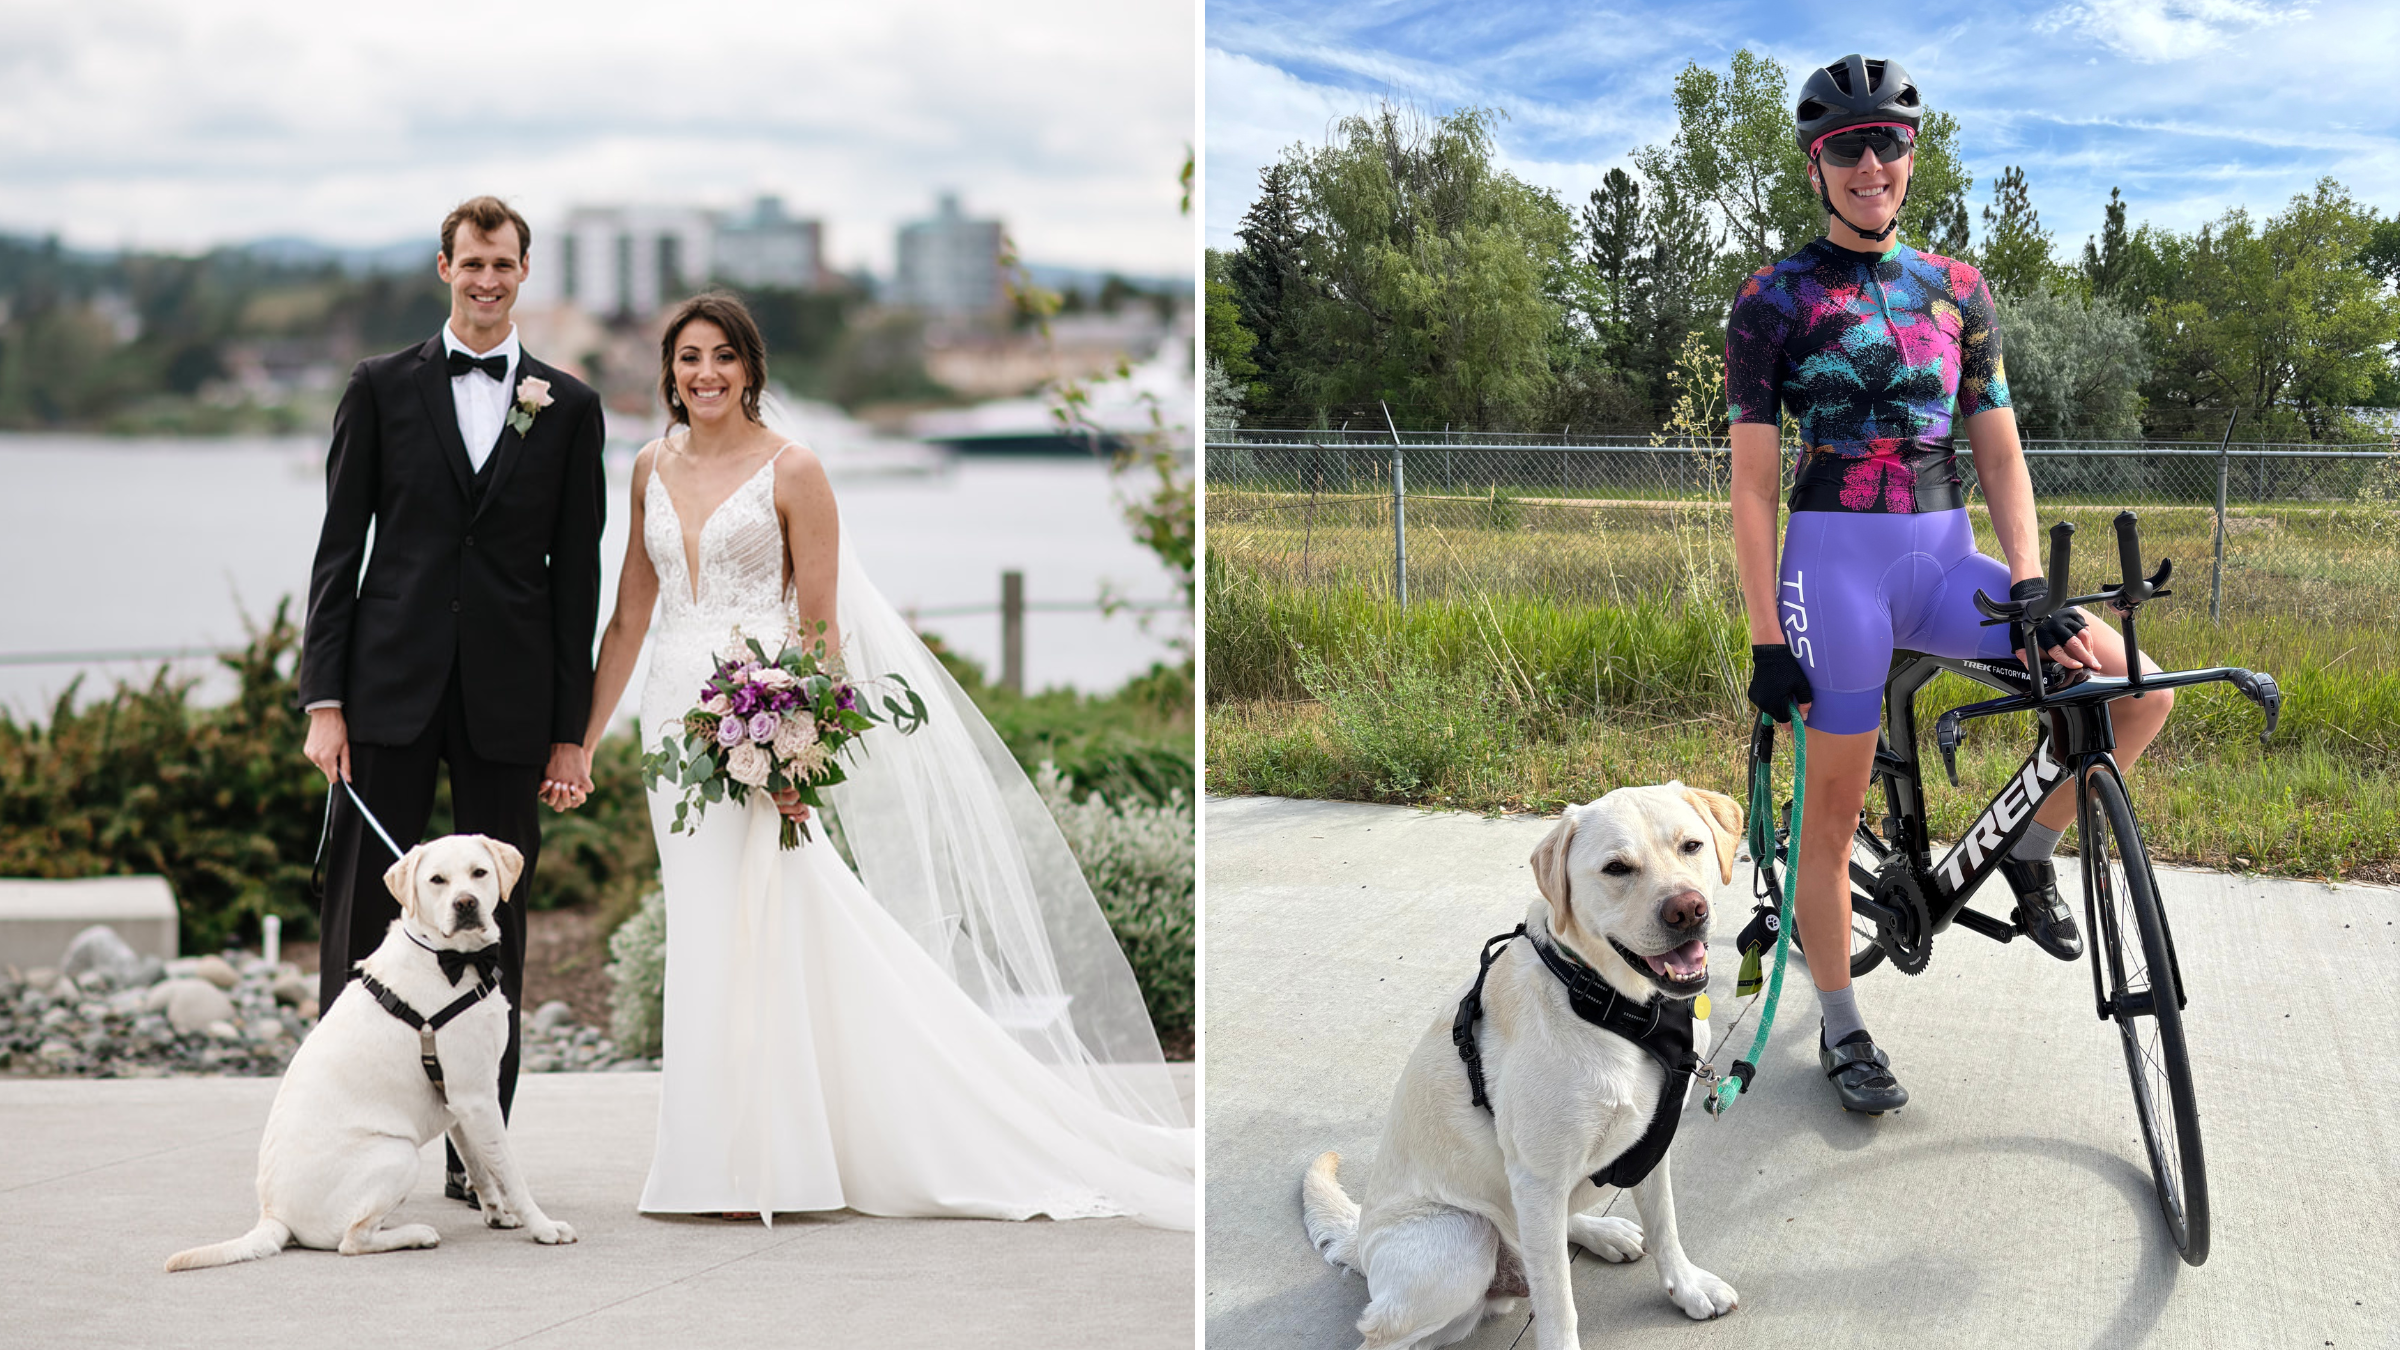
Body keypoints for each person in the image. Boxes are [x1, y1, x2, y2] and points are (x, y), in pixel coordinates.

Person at [579, 292, 1192, 1228]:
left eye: (722, 358)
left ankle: (792, 1160)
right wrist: (579, 743)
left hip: (759, 723)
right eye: (688, 358)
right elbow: (628, 618)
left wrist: (795, 746)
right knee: (705, 929)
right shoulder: (647, 468)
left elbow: (822, 632)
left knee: (779, 920)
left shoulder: (797, 470)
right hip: (672, 732)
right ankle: (707, 1160)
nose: (704, 375)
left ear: (751, 370)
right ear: (668, 371)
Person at [1725, 56, 2174, 1114]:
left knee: (2138, 692)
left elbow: (2003, 455)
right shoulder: (1773, 299)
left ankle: (2031, 844)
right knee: (1829, 824)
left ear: (1912, 157)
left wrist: (2027, 580)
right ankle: (1842, 1027)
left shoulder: (1959, 289)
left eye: (1890, 143)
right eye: (1848, 146)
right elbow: (1750, 491)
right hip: (1832, 570)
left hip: (1947, 560)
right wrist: (1763, 636)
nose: (1872, 162)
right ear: (1816, 166)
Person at [297, 195, 607, 1204]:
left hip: (510, 702)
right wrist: (323, 700)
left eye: (504, 265)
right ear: (444, 268)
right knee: (357, 923)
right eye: (471, 263)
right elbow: (339, 553)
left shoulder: (570, 405)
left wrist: (571, 730)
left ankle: (482, 1169)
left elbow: (576, 584)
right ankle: (336, 1139)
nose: (486, 280)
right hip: (385, 687)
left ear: (525, 274)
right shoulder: (379, 388)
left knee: (496, 926)